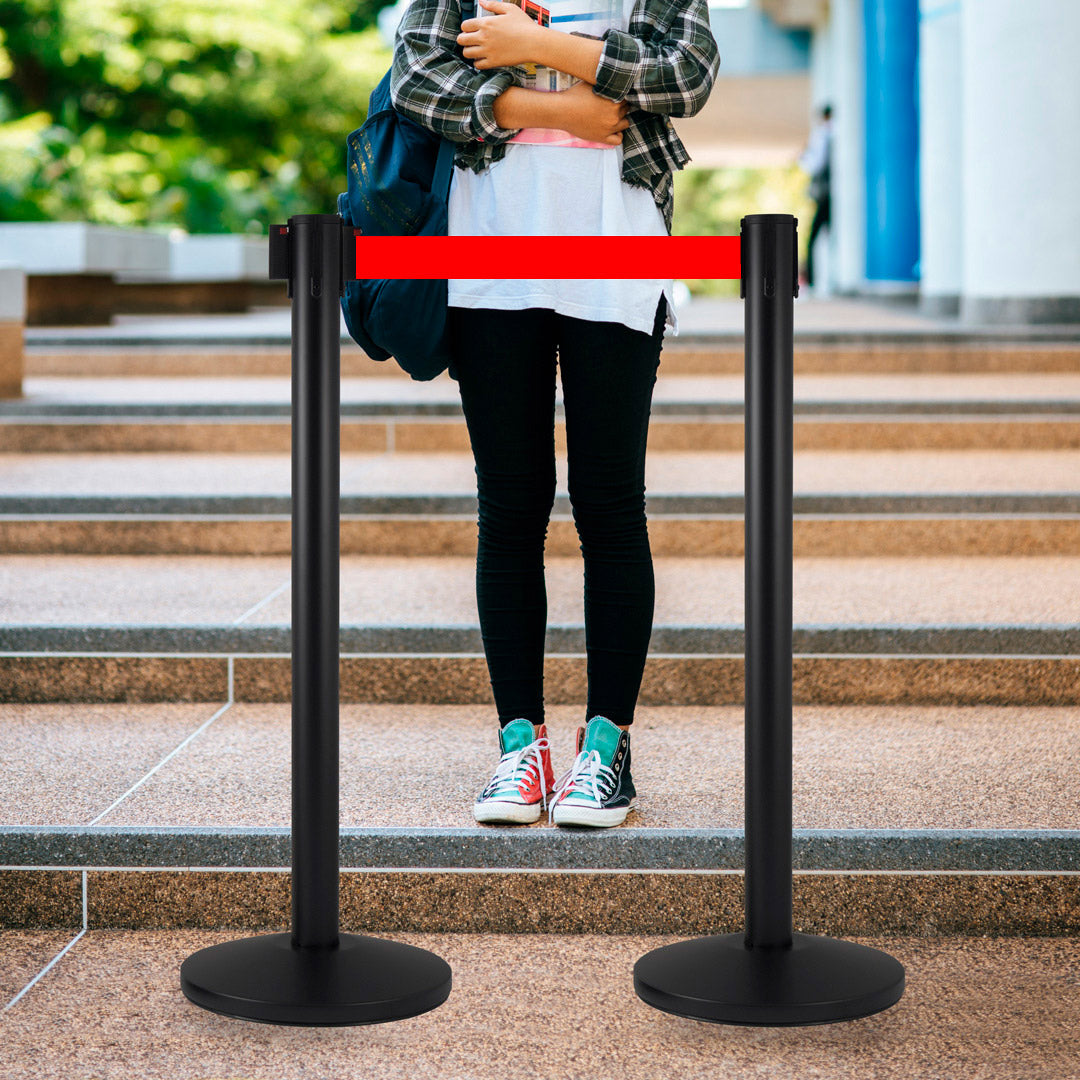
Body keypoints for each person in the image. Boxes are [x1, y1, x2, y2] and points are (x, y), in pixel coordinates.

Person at [390, 0, 720, 828]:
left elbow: (687, 72)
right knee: (511, 506)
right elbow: (417, 82)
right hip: (488, 252)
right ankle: (520, 748)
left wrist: (532, 45)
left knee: (609, 505)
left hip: (617, 246)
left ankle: (606, 750)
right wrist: (565, 100)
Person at [798, 102, 832, 289]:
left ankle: (811, 282)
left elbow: (814, 164)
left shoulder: (822, 134)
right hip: (833, 194)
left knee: (813, 237)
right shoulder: (837, 133)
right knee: (829, 236)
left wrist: (802, 156)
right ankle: (827, 279)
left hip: (825, 195)